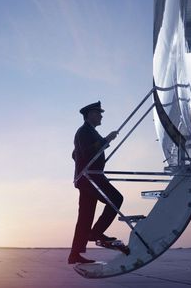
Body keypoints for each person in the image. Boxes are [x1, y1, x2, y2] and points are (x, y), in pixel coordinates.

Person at [68, 101, 123, 264]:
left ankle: (74, 254)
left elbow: (75, 154)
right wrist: (107, 139)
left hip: (87, 178)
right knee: (116, 199)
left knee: (85, 217)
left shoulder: (87, 132)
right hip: (91, 178)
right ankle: (96, 233)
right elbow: (87, 151)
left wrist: (81, 158)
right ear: (90, 115)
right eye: (98, 113)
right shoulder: (84, 131)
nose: (101, 116)